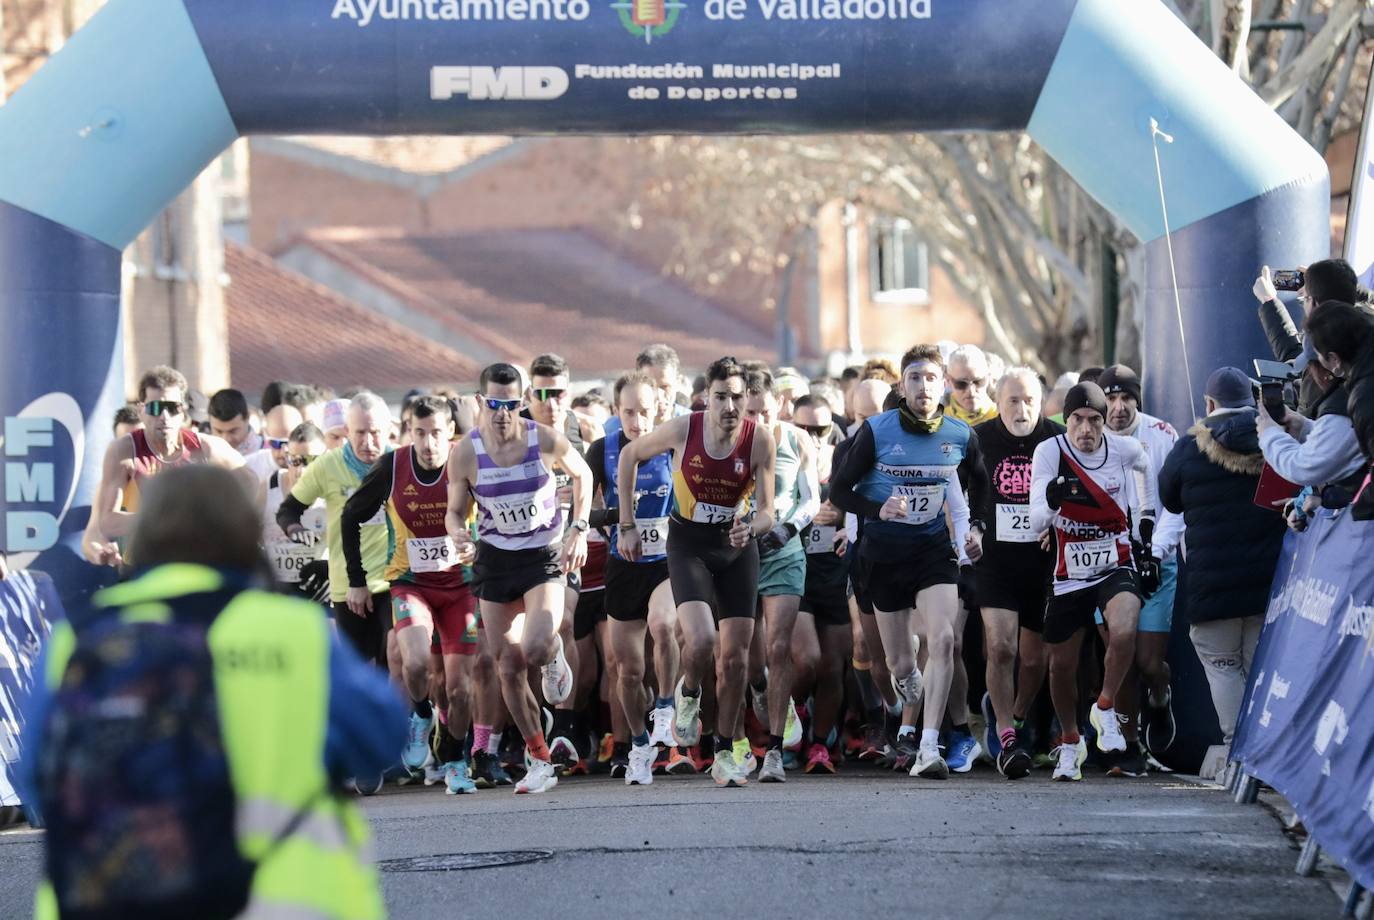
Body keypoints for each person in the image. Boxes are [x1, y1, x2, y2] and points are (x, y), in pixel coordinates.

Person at [24, 465, 404, 920]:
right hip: (283, 898)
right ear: (242, 532)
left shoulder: (80, 640)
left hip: (107, 898)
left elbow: (34, 775)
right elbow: (382, 738)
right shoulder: (288, 629)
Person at [616, 356, 778, 788]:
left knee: (736, 658)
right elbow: (629, 455)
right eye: (721, 397)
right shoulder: (684, 428)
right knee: (702, 639)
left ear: (747, 399)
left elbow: (768, 511)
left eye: (737, 397)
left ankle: (724, 749)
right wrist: (627, 525)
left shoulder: (759, 439)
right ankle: (688, 694)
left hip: (736, 547)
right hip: (688, 544)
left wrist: (752, 527)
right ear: (708, 397)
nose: (729, 406)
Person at [829, 344, 985, 780]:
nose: (922, 386)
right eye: (914, 378)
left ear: (944, 386)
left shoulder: (958, 435)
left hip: (932, 551)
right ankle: (907, 687)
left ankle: (929, 745)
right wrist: (877, 508)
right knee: (901, 665)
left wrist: (975, 532)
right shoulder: (877, 432)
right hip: (883, 556)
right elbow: (839, 492)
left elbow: (981, 484)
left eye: (931, 378)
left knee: (944, 640)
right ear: (902, 385)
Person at [445, 362, 591, 795]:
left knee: (534, 647)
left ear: (522, 403)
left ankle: (553, 652)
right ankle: (540, 759)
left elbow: (583, 474)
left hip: (542, 556)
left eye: (511, 404)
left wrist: (578, 528)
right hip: (495, 559)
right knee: (506, 665)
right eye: (494, 404)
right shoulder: (466, 452)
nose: (503, 413)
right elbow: (455, 510)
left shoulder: (543, 439)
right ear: (479, 403)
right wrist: (457, 532)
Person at [341, 396, 479, 795]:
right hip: (411, 583)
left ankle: (455, 759)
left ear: (449, 432)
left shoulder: (465, 461)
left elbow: (494, 512)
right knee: (415, 664)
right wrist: (356, 579)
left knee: (459, 688)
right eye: (419, 433)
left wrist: (479, 548)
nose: (428, 443)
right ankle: (420, 714)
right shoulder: (393, 465)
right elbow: (352, 515)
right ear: (408, 433)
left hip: (460, 588)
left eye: (436, 433)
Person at [1158, 368, 1287, 771]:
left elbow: (1170, 500)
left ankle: (1240, 756)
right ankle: (1270, 758)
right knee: (1260, 673)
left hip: (1211, 590)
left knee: (1224, 670)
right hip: (1267, 585)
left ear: (1209, 404)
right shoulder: (1275, 442)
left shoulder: (1186, 449)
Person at [1029, 382, 1157, 783]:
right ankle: (1070, 742)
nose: (1086, 429)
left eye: (1094, 421)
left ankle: (1103, 707)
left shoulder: (1122, 449)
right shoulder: (1050, 452)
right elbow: (1035, 521)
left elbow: (1146, 465)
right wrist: (1052, 496)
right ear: (1066, 421)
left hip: (1114, 562)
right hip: (1069, 570)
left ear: (1104, 423)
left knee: (1124, 630)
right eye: (1078, 420)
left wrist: (1147, 518)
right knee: (1060, 666)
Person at [586, 373, 680, 785]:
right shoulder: (601, 450)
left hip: (666, 562)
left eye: (645, 411)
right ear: (616, 411)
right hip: (623, 565)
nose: (638, 420)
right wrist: (616, 520)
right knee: (626, 671)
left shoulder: (674, 446)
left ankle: (663, 709)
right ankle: (639, 745)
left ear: (659, 409)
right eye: (629, 412)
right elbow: (581, 511)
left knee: (663, 625)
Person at [972, 367, 1063, 779]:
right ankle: (1007, 737)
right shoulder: (978, 438)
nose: (1022, 408)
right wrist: (970, 530)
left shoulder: (1057, 439)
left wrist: (1061, 527)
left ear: (1041, 403)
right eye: (1013, 400)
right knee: (1001, 648)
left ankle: (1016, 713)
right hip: (996, 564)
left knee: (1034, 660)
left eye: (1029, 400)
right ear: (998, 402)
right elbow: (959, 494)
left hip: (1044, 564)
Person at [1097, 364, 1184, 767]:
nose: (1117, 407)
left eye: (1125, 398)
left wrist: (1157, 552)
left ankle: (1161, 695)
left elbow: (1176, 506)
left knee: (1149, 662)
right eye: (1110, 399)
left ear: (1137, 400)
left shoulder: (1162, 435)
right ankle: (1130, 743)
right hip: (1108, 564)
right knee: (1122, 657)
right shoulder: (1089, 436)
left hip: (1156, 559)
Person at [82, 365, 247, 567]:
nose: (165, 417)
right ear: (141, 410)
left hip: (198, 567)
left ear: (183, 411)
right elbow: (106, 522)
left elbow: (252, 481)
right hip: (146, 567)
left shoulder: (206, 447)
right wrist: (168, 519)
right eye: (155, 408)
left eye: (172, 408)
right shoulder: (124, 452)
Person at [277, 392, 393, 669]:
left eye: (375, 433)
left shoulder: (397, 463)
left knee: (396, 662)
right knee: (358, 670)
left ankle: (409, 713)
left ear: (389, 430)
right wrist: (296, 531)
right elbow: (287, 510)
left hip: (393, 579)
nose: (368, 442)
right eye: (359, 433)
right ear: (346, 432)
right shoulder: (328, 465)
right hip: (348, 586)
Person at [744, 369, 820, 783]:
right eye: (750, 411)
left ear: (781, 406)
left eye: (765, 411)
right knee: (750, 657)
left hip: (784, 551)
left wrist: (787, 529)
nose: (757, 419)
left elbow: (811, 499)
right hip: (739, 555)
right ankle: (760, 688)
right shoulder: (731, 441)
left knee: (779, 647)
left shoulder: (796, 439)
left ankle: (773, 750)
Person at [791, 394, 853, 774]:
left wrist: (844, 516)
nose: (813, 437)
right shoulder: (781, 465)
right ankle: (790, 711)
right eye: (804, 429)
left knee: (832, 667)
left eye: (821, 429)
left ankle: (819, 743)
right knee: (807, 660)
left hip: (834, 576)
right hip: (794, 577)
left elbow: (869, 507)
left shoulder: (846, 463)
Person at [1257, 301, 1369, 500]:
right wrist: (1305, 428)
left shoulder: (1351, 403)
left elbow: (1304, 468)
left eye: (1317, 357)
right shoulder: (1363, 383)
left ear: (1334, 360)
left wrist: (1269, 434)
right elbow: (1348, 442)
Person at [260, 422, 329, 597]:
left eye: (311, 461)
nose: (301, 470)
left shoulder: (332, 492)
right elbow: (247, 533)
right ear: (286, 456)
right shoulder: (269, 486)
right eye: (295, 460)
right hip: (277, 587)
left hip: (318, 585)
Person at [244, 403, 305, 483]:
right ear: (267, 438)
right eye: (276, 443)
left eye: (289, 443)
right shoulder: (248, 468)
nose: (284, 451)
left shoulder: (314, 465)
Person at [944, 345, 998, 426]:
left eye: (978, 381)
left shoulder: (1003, 418)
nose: (971, 391)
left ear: (988, 377)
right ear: (948, 381)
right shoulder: (939, 422)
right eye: (961, 384)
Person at [208, 388, 264, 457]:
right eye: (219, 431)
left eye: (233, 431)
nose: (225, 439)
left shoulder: (268, 454)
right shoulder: (202, 456)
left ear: (247, 418)